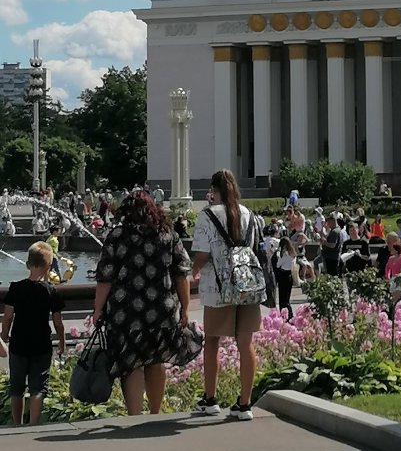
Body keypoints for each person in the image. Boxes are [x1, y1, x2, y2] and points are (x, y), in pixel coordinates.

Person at [93, 191, 196, 417]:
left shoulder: (118, 235)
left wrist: (98, 309)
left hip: (126, 311)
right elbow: (182, 274)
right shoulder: (168, 235)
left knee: (131, 363)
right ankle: (155, 413)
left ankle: (134, 416)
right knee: (156, 359)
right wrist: (185, 308)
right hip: (162, 309)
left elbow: (105, 276)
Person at [192, 169, 261, 421]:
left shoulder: (207, 216)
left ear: (214, 189)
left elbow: (201, 253)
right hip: (246, 284)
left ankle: (210, 399)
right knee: (246, 343)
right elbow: (253, 247)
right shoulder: (249, 215)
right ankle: (245, 403)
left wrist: (194, 268)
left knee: (211, 341)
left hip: (218, 286)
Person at [1, 242, 64, 426]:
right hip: (41, 345)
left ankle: (16, 423)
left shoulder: (16, 288)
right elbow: (59, 324)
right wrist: (61, 342)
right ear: (48, 266)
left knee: (16, 388)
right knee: (38, 387)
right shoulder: (51, 291)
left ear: (28, 264)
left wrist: (4, 336)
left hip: (19, 344)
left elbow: (7, 317)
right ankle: (34, 423)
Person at [274, 236, 297, 320]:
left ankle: (284, 315)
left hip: (283, 275)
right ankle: (290, 315)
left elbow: (278, 265)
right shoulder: (292, 253)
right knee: (287, 297)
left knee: (282, 298)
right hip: (289, 274)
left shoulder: (283, 254)